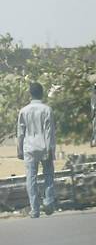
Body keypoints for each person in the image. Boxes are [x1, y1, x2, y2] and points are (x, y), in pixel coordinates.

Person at [17, 82, 56, 218]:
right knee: (49, 174)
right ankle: (48, 201)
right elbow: (49, 132)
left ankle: (35, 209)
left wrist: (19, 150)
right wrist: (51, 149)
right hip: (44, 146)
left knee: (31, 178)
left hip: (29, 147)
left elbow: (20, 133)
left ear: (30, 94)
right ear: (42, 93)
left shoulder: (23, 111)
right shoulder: (47, 109)